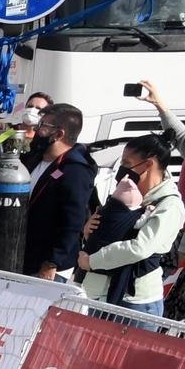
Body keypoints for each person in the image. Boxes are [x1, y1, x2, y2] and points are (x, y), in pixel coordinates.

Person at [78, 134, 181, 316]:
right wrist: (90, 232)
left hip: (135, 302)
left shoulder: (170, 205)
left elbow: (140, 248)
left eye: (127, 163)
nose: (123, 170)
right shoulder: (125, 192)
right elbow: (109, 231)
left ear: (148, 164)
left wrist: (93, 261)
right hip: (100, 293)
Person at [23, 102, 99, 282]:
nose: (37, 130)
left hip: (47, 268)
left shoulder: (75, 170)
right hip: (24, 256)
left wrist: (52, 261)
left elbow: (72, 222)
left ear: (59, 134)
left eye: (43, 126)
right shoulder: (34, 158)